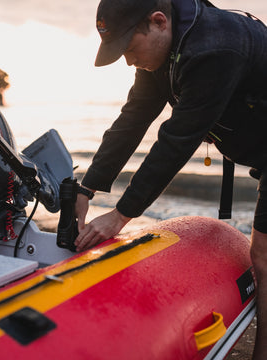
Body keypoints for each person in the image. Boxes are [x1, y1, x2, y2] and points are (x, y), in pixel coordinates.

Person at [74, 0, 267, 358]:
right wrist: (88, 184)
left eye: (130, 49)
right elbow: (133, 118)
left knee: (263, 256)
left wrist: (120, 215)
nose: (130, 62)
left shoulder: (215, 49)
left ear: (158, 22)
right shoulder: (163, 49)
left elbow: (177, 141)